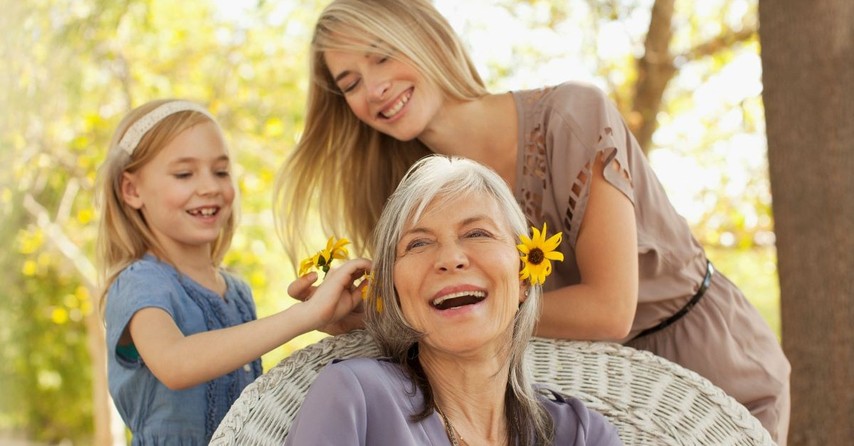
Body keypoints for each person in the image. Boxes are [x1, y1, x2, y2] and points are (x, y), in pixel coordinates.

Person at [276, 0, 791, 443]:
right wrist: (367, 312)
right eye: (351, 83)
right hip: (570, 385)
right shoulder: (414, 193)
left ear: (426, 37)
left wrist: (439, 312)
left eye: (382, 55)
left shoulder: (573, 116)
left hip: (700, 358)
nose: (376, 88)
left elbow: (610, 309)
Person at [285, 155, 622, 445]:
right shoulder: (354, 396)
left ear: (524, 276)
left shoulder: (583, 435)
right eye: (418, 243)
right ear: (394, 292)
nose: (450, 258)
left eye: (477, 233)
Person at [96, 99, 370, 445]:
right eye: (184, 173)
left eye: (221, 171)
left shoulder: (237, 292)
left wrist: (333, 319)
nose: (210, 186)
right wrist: (303, 315)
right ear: (132, 190)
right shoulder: (138, 283)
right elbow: (175, 363)